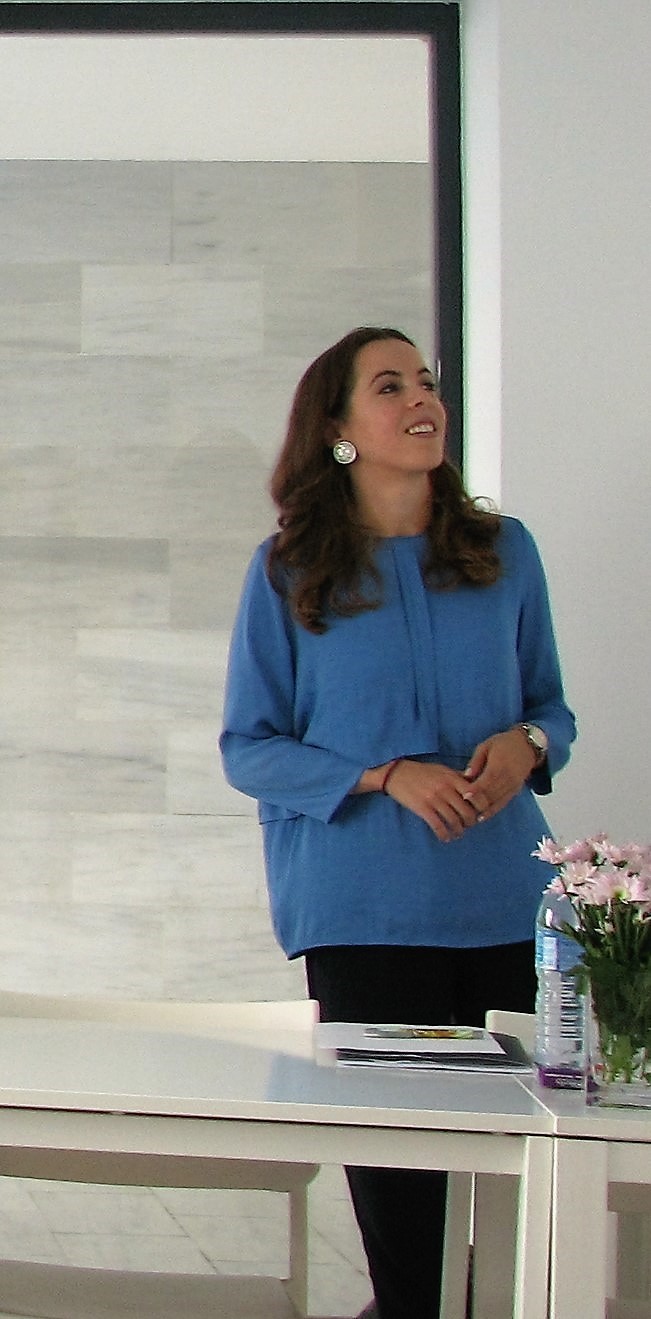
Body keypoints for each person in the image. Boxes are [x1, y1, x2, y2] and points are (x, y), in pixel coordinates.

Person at [220, 326, 576, 1319]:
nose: (422, 398)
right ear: (337, 428)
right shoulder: (288, 570)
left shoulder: (504, 551)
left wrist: (528, 745)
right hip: (364, 916)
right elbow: (249, 746)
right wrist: (383, 773)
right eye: (390, 385)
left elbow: (551, 706)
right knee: (406, 1215)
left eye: (425, 381)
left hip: (504, 909)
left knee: (517, 1204)